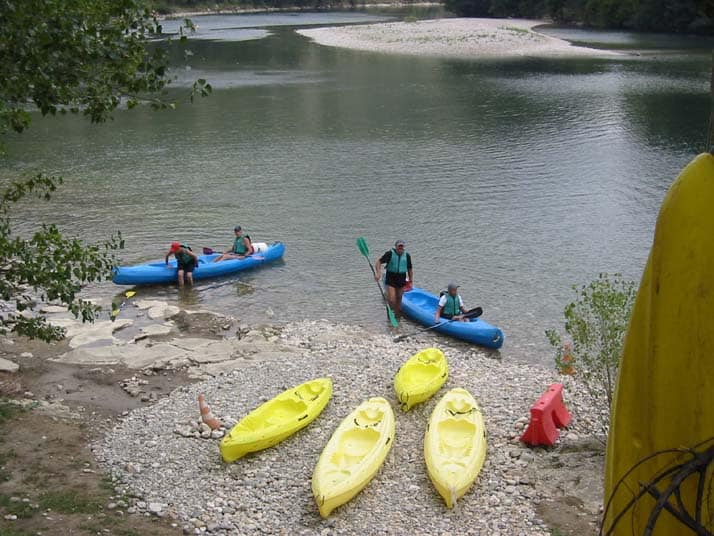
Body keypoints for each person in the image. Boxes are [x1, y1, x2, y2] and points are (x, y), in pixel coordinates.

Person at [374, 240, 413, 316]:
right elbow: (378, 262)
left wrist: (411, 280)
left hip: (401, 278)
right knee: (392, 299)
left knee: (399, 298)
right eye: (399, 246)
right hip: (391, 277)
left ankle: (397, 316)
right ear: (396, 247)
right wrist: (378, 273)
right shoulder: (389, 254)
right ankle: (390, 314)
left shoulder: (407, 255)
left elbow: (410, 269)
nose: (400, 248)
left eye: (402, 246)